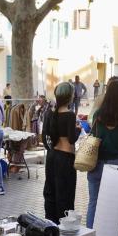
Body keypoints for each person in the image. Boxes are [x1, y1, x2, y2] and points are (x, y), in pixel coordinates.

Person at [87, 79, 118, 228]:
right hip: (117, 164)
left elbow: (93, 137)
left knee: (93, 202)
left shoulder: (98, 115)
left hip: (96, 163)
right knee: (113, 205)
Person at [43, 82, 81, 222]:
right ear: (69, 96)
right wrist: (77, 129)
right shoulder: (70, 115)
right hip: (65, 158)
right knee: (65, 194)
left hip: (52, 156)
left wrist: (51, 149)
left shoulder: (49, 113)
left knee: (50, 191)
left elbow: (44, 137)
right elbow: (72, 139)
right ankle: (63, 226)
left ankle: (50, 224)